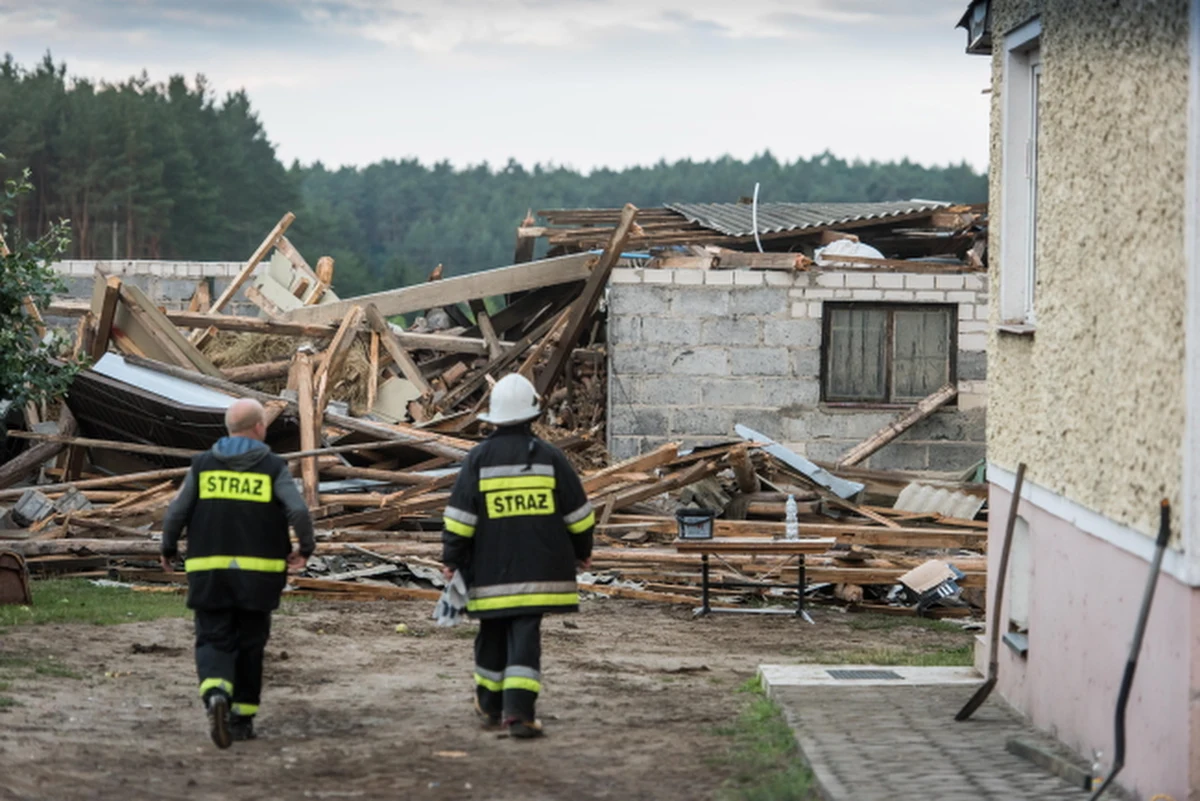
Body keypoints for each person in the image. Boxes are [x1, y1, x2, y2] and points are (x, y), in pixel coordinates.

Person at [441, 373, 594, 739]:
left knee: (490, 635)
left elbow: (461, 518)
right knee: (525, 637)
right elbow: (580, 515)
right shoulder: (550, 458)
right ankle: (519, 714)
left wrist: (451, 558)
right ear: (532, 415)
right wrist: (582, 552)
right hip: (540, 573)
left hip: (489, 574)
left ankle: (490, 705)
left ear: (493, 418)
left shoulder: (478, 459)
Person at [161, 398, 314, 749]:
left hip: (208, 571)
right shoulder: (273, 466)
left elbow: (176, 511)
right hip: (259, 576)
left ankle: (216, 693)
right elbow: (298, 511)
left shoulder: (203, 465)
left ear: (228, 428)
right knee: (250, 644)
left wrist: (168, 548)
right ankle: (242, 721)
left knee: (214, 637)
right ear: (260, 427)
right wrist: (304, 548)